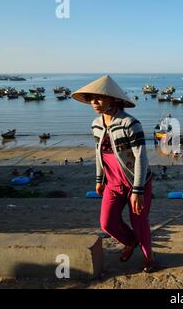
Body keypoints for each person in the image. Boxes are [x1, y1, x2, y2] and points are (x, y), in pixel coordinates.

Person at [71, 75, 154, 273]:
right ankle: (131, 241)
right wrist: (99, 179)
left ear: (113, 99)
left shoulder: (130, 123)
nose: (94, 102)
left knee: (139, 222)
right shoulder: (96, 124)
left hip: (137, 183)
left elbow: (141, 157)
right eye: (91, 98)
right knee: (107, 223)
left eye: (99, 97)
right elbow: (98, 152)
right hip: (113, 184)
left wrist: (137, 190)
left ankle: (149, 257)